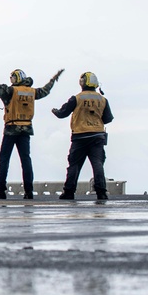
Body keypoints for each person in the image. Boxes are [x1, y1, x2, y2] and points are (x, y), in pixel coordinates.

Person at [0, 60, 63, 199]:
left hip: (11, 129)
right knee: (26, 160)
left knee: (4, 160)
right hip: (26, 130)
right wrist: (53, 80)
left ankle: (2, 191)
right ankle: (29, 191)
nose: (11, 80)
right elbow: (45, 90)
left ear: (18, 78)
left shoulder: (10, 91)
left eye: (13, 77)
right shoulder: (32, 92)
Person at [51, 72, 114, 200]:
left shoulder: (77, 98)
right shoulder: (102, 100)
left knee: (74, 165)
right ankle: (101, 192)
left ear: (82, 83)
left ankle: (69, 192)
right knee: (98, 164)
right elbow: (108, 119)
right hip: (97, 136)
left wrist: (55, 111)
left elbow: (62, 113)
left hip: (79, 137)